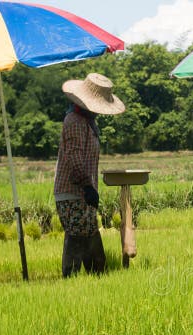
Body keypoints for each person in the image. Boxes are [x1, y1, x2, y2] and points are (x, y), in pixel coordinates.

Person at [54, 73, 125, 277]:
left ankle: (96, 281)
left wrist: (90, 189)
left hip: (83, 194)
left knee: (89, 240)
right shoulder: (75, 121)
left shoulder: (87, 122)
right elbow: (74, 157)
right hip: (74, 193)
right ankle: (73, 284)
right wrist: (87, 186)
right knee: (78, 239)